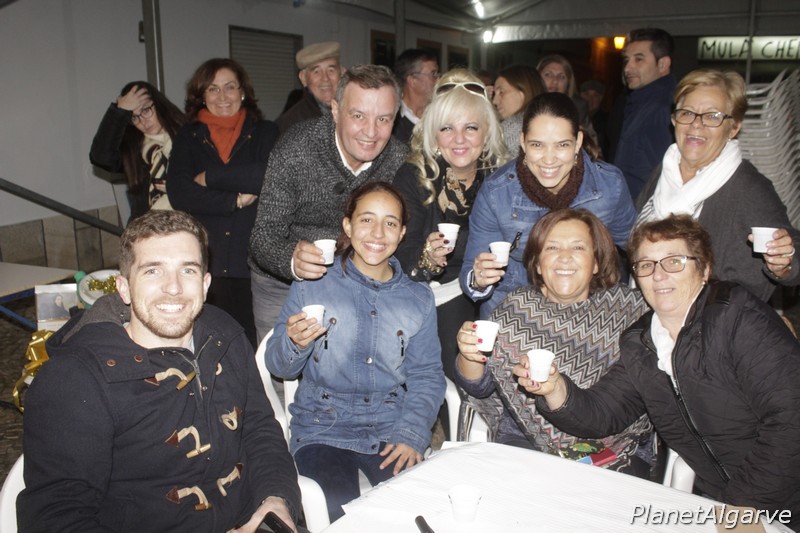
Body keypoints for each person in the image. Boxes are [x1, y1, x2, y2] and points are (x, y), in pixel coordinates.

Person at [18, 210, 301, 532]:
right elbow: (56, 515)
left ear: (205, 284)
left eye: (188, 270)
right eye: (153, 271)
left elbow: (259, 429)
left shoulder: (224, 335)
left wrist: (275, 500)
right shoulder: (75, 379)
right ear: (124, 288)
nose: (173, 288)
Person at [521, 214, 800, 528]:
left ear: (704, 269)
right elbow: (602, 414)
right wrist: (555, 388)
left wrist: (742, 508)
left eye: (674, 262)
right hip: (718, 499)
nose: (659, 275)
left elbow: (791, 421)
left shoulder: (735, 316)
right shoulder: (642, 343)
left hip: (781, 496)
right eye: (646, 265)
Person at [266, 182, 445, 522]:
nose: (377, 233)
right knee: (338, 511)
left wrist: (411, 433)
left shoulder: (418, 298)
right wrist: (294, 343)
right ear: (347, 226)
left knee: (417, 511)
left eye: (390, 223)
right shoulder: (313, 283)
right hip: (322, 425)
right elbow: (279, 366)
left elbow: (427, 375)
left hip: (389, 426)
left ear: (402, 232)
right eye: (366, 220)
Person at [455, 209, 653, 475]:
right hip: (523, 437)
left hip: (613, 445)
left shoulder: (628, 309)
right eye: (552, 247)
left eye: (578, 247)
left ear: (596, 262)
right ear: (538, 264)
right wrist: (469, 354)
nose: (565, 256)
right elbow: (480, 388)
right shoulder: (517, 308)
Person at [249, 65, 408, 342]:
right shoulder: (296, 148)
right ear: (335, 110)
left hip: (357, 281)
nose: (371, 132)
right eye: (358, 116)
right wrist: (291, 260)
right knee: (275, 363)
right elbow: (263, 235)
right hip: (280, 283)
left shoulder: (400, 160)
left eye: (383, 119)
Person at [460, 92, 636, 318]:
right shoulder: (498, 193)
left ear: (578, 142)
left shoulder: (608, 186)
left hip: (589, 308)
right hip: (513, 310)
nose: (549, 159)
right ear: (522, 142)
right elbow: (470, 273)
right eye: (537, 145)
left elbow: (637, 247)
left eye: (562, 145)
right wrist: (479, 279)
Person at [636, 69, 800, 303]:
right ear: (674, 119)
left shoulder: (747, 187)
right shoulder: (665, 170)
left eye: (712, 116)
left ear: (734, 128)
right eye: (687, 113)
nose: (696, 124)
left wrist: (784, 261)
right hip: (650, 312)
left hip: (716, 320)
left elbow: (793, 250)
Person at [393, 70, 508, 381]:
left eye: (471, 127)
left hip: (492, 291)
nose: (459, 139)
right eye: (447, 128)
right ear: (433, 134)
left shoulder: (502, 180)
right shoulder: (414, 177)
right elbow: (401, 254)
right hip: (431, 292)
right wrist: (427, 258)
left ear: (487, 132)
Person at [168, 58, 278, 348]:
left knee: (255, 345)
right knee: (208, 343)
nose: (222, 96)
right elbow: (180, 192)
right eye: (213, 89)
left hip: (252, 261)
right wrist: (234, 199)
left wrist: (210, 177)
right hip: (207, 259)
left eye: (230, 87)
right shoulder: (189, 136)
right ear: (202, 95)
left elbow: (267, 175)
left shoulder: (265, 132)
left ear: (243, 92)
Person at [90, 81, 186, 219]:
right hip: (146, 227)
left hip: (190, 224)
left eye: (145, 110)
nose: (143, 121)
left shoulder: (191, 137)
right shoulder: (135, 152)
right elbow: (101, 157)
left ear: (159, 104)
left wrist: (183, 190)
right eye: (134, 117)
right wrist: (119, 111)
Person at [610, 28, 677, 201]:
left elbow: (664, 174)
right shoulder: (638, 102)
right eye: (626, 60)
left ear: (663, 64)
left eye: (639, 59)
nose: (628, 68)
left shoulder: (665, 107)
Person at [275, 41, 343, 135]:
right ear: (303, 78)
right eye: (316, 72)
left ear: (341, 73)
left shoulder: (353, 112)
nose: (325, 78)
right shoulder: (291, 124)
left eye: (331, 70)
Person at [536, 54, 597, 147]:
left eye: (561, 77)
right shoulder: (526, 104)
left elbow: (591, 145)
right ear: (537, 77)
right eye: (548, 75)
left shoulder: (578, 108)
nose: (555, 81)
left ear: (568, 83)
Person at [491, 64, 545, 156]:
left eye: (501, 92)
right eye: (494, 94)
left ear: (524, 92)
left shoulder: (511, 128)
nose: (494, 101)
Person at [391, 49, 440, 143]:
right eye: (433, 74)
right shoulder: (393, 121)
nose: (438, 79)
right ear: (413, 80)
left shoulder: (440, 115)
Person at [580, 80, 610, 157]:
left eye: (595, 95)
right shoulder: (574, 116)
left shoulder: (607, 121)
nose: (590, 99)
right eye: (587, 94)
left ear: (601, 98)